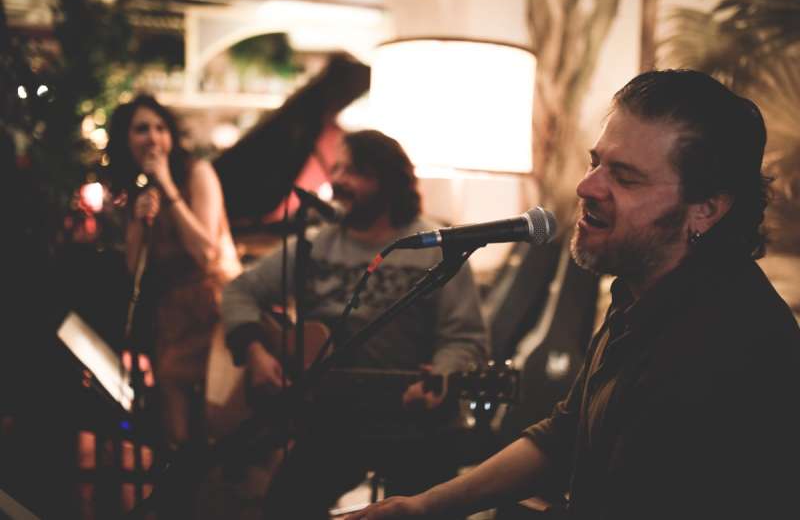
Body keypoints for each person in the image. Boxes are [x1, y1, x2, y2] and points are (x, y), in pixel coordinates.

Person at [345, 70, 800, 520]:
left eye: (625, 177)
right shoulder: (643, 292)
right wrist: (424, 506)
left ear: (706, 209)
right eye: (594, 161)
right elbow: (566, 435)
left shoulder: (726, 345)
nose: (587, 186)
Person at [220, 129, 489, 519]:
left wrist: (442, 376)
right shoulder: (314, 246)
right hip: (332, 421)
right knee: (283, 507)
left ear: (389, 183)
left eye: (356, 171)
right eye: (338, 168)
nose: (339, 180)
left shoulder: (435, 250)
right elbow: (238, 292)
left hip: (413, 425)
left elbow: (465, 338)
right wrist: (255, 352)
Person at [107, 94, 242, 450]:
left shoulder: (197, 172)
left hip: (214, 308)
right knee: (175, 434)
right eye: (141, 130)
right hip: (170, 316)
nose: (153, 137)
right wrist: (137, 221)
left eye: (160, 128)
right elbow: (134, 269)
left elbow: (205, 250)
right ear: (125, 140)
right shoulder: (132, 189)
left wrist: (167, 187)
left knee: (217, 422)